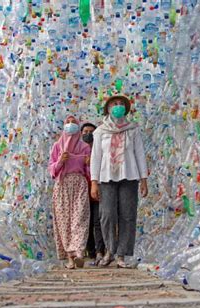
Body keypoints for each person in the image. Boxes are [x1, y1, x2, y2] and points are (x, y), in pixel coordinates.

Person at [90, 95, 148, 268]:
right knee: (107, 214)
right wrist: (94, 181)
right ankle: (109, 250)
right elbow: (96, 157)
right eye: (114, 104)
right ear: (108, 108)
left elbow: (139, 153)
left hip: (129, 175)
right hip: (106, 177)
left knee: (127, 215)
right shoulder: (100, 131)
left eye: (121, 103)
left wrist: (144, 179)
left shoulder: (133, 129)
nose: (118, 106)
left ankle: (121, 254)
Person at [48, 115, 91, 269]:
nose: (71, 124)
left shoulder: (85, 148)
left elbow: (89, 173)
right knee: (64, 221)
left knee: (80, 218)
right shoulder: (57, 147)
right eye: (68, 122)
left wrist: (88, 164)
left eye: (74, 122)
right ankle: (70, 258)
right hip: (62, 185)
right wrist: (61, 161)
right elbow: (51, 170)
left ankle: (79, 253)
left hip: (79, 184)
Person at [81, 122, 106, 265]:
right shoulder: (77, 150)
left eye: (91, 131)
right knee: (86, 223)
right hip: (82, 193)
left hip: (97, 190)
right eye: (85, 131)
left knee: (98, 221)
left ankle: (100, 250)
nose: (88, 134)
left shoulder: (101, 150)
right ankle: (90, 251)